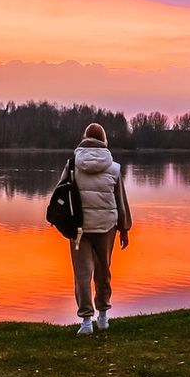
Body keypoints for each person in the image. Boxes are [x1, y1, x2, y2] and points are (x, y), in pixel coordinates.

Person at [67, 122, 133, 335]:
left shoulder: (72, 165)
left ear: (84, 138)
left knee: (82, 274)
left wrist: (61, 221)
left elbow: (62, 195)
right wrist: (124, 229)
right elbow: (120, 201)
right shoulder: (114, 168)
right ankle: (103, 317)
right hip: (106, 227)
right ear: (104, 141)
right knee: (103, 270)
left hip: (79, 229)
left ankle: (86, 322)